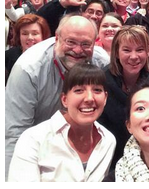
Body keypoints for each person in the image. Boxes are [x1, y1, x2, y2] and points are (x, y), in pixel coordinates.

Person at [5, 15, 110, 177]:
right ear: (57, 38)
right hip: (36, 149)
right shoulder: (28, 69)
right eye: (71, 42)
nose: (77, 50)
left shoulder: (102, 63)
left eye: (85, 44)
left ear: (94, 43)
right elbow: (14, 133)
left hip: (82, 146)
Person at [8, 64, 116, 182]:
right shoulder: (33, 139)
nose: (89, 98)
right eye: (79, 90)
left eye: (97, 90)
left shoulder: (108, 141)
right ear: (64, 99)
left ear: (105, 98)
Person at [98, 25, 149, 169]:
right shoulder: (102, 81)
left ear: (148, 52)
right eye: (126, 50)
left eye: (140, 50)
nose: (134, 56)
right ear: (116, 53)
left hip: (145, 151)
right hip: (111, 153)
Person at [5, 14, 50, 83]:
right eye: (24, 34)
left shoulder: (51, 58)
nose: (30, 38)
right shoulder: (7, 57)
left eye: (35, 33)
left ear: (43, 36)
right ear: (19, 36)